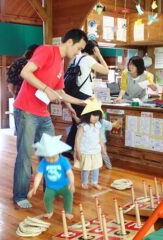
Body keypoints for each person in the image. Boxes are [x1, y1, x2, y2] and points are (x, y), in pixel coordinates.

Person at [13, 29, 88, 209]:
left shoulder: (61, 62)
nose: (78, 53)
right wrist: (46, 88)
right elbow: (25, 72)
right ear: (69, 42)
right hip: (26, 110)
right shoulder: (47, 50)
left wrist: (80, 102)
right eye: (78, 48)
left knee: (51, 153)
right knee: (25, 154)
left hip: (42, 113)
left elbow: (60, 92)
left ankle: (51, 188)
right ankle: (20, 195)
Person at [64, 40, 109, 157]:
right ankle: (83, 151)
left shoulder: (76, 59)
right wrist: (99, 55)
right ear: (94, 49)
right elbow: (106, 70)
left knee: (77, 123)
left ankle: (70, 150)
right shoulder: (88, 59)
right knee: (86, 124)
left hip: (73, 95)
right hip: (83, 97)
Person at [27, 133, 75, 219]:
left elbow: (69, 173)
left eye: (53, 157)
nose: (51, 160)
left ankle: (68, 212)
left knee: (69, 196)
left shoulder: (63, 161)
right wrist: (34, 188)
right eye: (48, 158)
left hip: (64, 186)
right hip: (50, 187)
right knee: (47, 198)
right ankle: (49, 211)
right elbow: (39, 175)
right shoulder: (43, 163)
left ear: (59, 153)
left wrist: (72, 183)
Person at [7, 44, 39, 133]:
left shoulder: (17, 63)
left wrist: (15, 96)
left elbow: (10, 85)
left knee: (21, 134)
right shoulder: (38, 63)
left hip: (21, 101)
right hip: (37, 101)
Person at [74, 99, 105, 190]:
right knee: (86, 168)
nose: (96, 117)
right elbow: (78, 139)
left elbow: (99, 137)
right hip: (85, 151)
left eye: (98, 115)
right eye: (93, 115)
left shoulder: (98, 125)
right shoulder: (83, 126)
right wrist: (78, 151)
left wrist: (102, 146)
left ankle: (94, 182)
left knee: (96, 167)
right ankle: (84, 182)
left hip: (96, 150)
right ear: (87, 115)